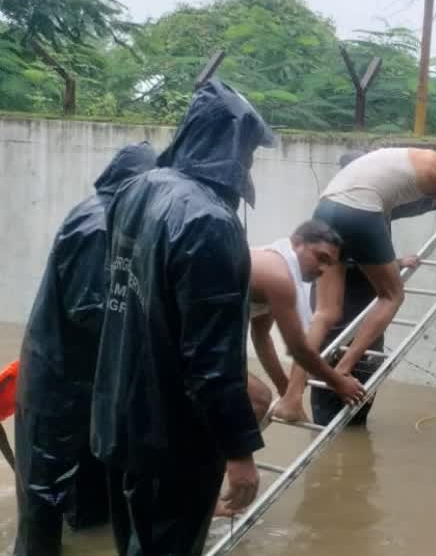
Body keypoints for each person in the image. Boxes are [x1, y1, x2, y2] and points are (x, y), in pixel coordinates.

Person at [91, 80, 276, 555]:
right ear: (230, 145)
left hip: (119, 417)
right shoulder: (209, 221)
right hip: (173, 438)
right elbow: (211, 360)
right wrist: (240, 454)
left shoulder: (136, 189)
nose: (250, 163)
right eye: (249, 150)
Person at [14, 142, 156, 556]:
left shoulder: (113, 218)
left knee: (89, 487)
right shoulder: (99, 225)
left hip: (87, 380)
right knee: (45, 492)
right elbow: (91, 310)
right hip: (58, 381)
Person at [314, 148, 436, 384]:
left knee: (324, 312)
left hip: (325, 208)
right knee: (392, 296)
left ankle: (292, 397)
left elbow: (370, 239)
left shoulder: (404, 161)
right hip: (358, 212)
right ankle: (343, 369)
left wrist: (395, 262)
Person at [308, 151, 436, 428]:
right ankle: (327, 429)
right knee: (329, 381)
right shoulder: (339, 211)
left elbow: (415, 203)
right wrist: (393, 263)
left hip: (370, 310)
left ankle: (354, 428)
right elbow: (345, 260)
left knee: (366, 375)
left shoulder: (377, 204)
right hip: (341, 314)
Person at [246, 220, 364, 425]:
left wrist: (286, 390)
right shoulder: (279, 275)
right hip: (182, 336)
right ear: (297, 243)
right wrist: (339, 383)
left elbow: (261, 337)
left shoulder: (275, 261)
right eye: (320, 257)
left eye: (328, 264)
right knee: (258, 400)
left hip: (193, 336)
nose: (322, 269)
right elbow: (299, 348)